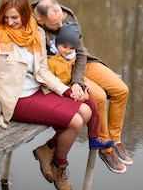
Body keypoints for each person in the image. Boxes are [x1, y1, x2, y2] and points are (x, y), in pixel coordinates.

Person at [0, 0, 93, 190]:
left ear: (24, 14)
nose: (10, 22)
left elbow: (42, 71)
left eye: (14, 17)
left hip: (38, 90)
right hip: (16, 98)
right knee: (75, 122)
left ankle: (46, 150)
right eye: (6, 17)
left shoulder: (36, 34)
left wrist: (67, 91)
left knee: (85, 110)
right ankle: (60, 166)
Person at [31, 0, 133, 174]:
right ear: (41, 20)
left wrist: (78, 81)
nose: (62, 26)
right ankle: (105, 147)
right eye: (56, 23)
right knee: (99, 96)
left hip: (80, 63)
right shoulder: (32, 27)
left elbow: (80, 52)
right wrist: (74, 82)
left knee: (121, 90)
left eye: (61, 20)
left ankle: (115, 140)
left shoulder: (67, 16)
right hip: (59, 71)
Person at [47, 20, 113, 150]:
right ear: (57, 43)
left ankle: (94, 138)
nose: (67, 51)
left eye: (71, 48)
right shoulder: (51, 59)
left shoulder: (70, 56)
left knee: (93, 103)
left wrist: (82, 83)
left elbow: (71, 72)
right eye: (64, 47)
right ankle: (53, 143)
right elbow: (51, 81)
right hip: (56, 91)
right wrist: (70, 91)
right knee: (80, 110)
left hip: (69, 87)